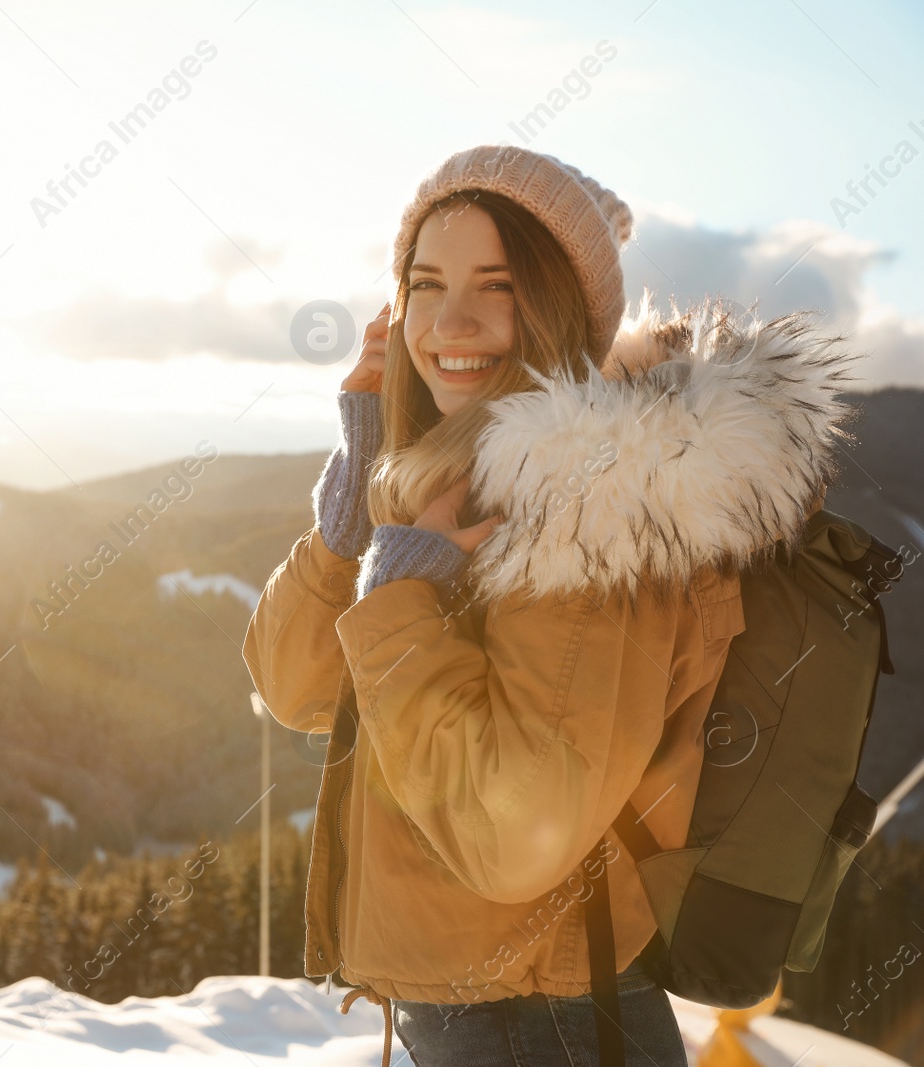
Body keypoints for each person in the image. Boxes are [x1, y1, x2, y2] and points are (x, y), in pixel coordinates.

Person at [242, 145, 855, 1067]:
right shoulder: (452, 483)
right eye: (426, 281)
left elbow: (508, 839)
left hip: (544, 1026)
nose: (450, 319)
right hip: (476, 1014)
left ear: (561, 308)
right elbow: (295, 687)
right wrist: (350, 511)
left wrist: (399, 590)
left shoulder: (594, 518)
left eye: (499, 284)